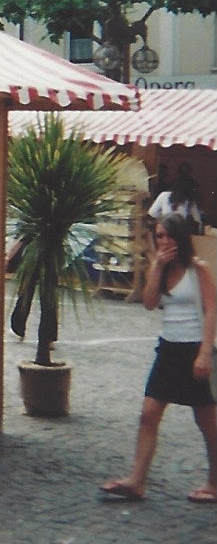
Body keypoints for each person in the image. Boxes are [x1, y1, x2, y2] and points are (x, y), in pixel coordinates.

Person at [100, 213, 217, 502]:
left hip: (193, 349)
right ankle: (136, 480)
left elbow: (212, 309)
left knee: (207, 422)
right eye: (159, 235)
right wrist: (156, 268)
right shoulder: (160, 268)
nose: (164, 241)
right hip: (168, 349)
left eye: (169, 235)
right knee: (148, 414)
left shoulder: (196, 269)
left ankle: (214, 483)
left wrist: (204, 353)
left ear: (181, 237)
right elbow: (150, 304)